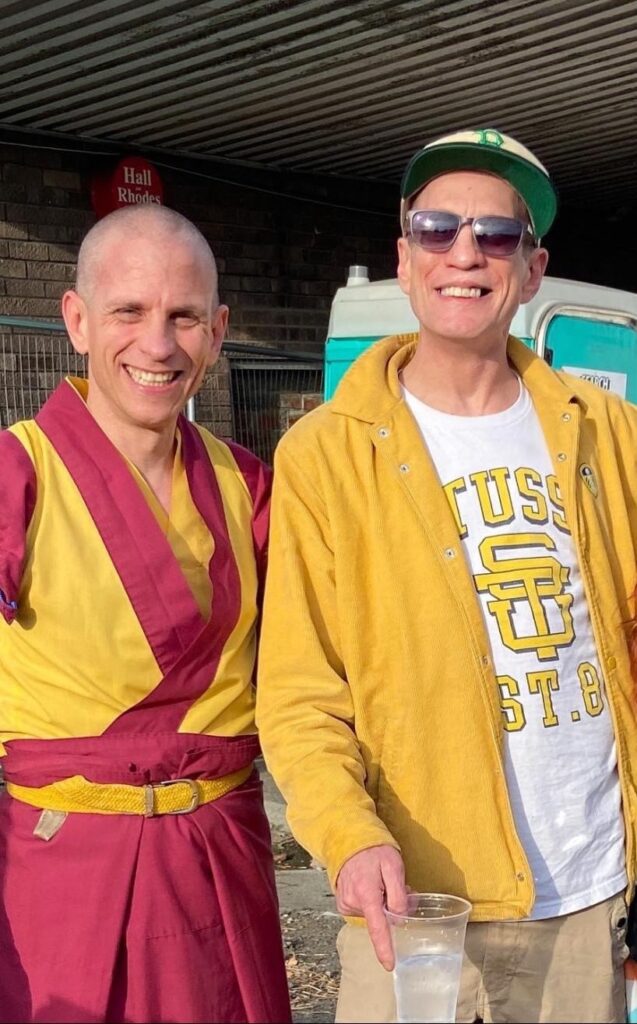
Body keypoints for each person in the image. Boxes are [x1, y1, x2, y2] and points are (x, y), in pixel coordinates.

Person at [256, 128, 637, 1023]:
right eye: (436, 228)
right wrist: (348, 840)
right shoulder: (325, 454)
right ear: (403, 256)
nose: (464, 252)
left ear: (531, 268)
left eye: (495, 236)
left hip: (589, 901)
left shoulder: (608, 436)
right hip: (415, 908)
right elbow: (300, 693)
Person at [0, 205, 291, 1024]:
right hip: (70, 870)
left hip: (222, 862)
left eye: (184, 317)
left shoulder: (247, 483)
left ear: (219, 329)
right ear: (78, 320)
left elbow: (325, 650)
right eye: (129, 312)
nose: (158, 345)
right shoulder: (18, 473)